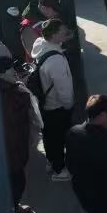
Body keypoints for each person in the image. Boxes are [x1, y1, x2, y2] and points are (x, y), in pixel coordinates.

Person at [0, 56, 40, 213]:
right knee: (17, 181)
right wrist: (23, 88)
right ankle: (13, 209)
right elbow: (19, 115)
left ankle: (12, 208)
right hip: (13, 148)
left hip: (8, 147)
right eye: (12, 71)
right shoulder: (11, 93)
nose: (15, 74)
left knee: (13, 181)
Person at [34, 18, 76, 181]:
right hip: (56, 106)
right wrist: (69, 105)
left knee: (49, 137)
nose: (65, 32)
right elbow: (64, 89)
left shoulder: (41, 46)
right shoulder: (56, 61)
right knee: (58, 139)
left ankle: (52, 163)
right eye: (61, 31)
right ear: (53, 36)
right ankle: (59, 171)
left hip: (45, 104)